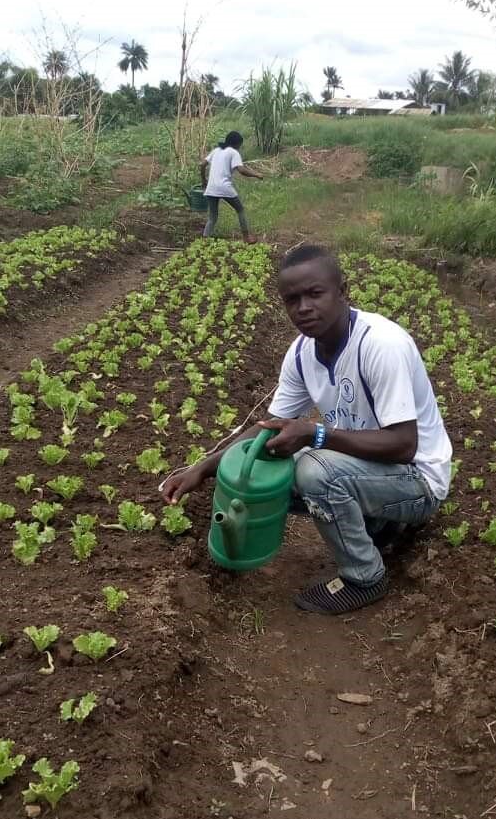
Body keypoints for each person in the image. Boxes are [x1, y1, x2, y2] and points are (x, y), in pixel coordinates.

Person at [163, 243, 452, 615]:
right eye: (292, 299)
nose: (303, 308)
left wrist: (316, 434)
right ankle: (379, 525)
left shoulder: (381, 345)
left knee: (313, 470)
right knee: (269, 459)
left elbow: (403, 444)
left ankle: (364, 576)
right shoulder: (302, 354)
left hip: (418, 480)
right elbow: (267, 429)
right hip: (372, 472)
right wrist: (201, 469)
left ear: (342, 291)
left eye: (315, 294)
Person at [200, 130, 262, 242]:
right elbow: (241, 170)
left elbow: (202, 164)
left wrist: (204, 181)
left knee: (212, 217)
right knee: (240, 210)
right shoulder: (234, 152)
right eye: (240, 145)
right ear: (237, 144)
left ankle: (204, 239)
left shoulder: (216, 150)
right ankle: (247, 237)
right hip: (224, 187)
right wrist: (256, 174)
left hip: (211, 188)